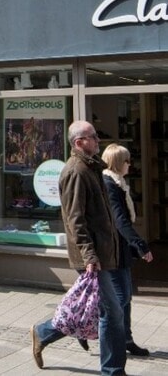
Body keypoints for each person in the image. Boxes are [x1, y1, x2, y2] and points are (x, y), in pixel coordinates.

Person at [30, 120, 126, 375]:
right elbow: (75, 220)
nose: (98, 140)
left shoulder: (92, 168)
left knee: (99, 309)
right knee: (112, 313)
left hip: (103, 252)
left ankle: (43, 332)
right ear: (79, 142)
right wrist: (89, 254)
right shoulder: (76, 171)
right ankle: (113, 371)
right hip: (92, 255)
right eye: (93, 136)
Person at [97, 143, 153, 356]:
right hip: (111, 250)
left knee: (124, 297)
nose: (130, 164)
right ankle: (51, 331)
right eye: (127, 160)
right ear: (119, 163)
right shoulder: (109, 185)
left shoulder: (118, 183)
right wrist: (140, 245)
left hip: (120, 250)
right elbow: (120, 220)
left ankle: (126, 339)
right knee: (120, 298)